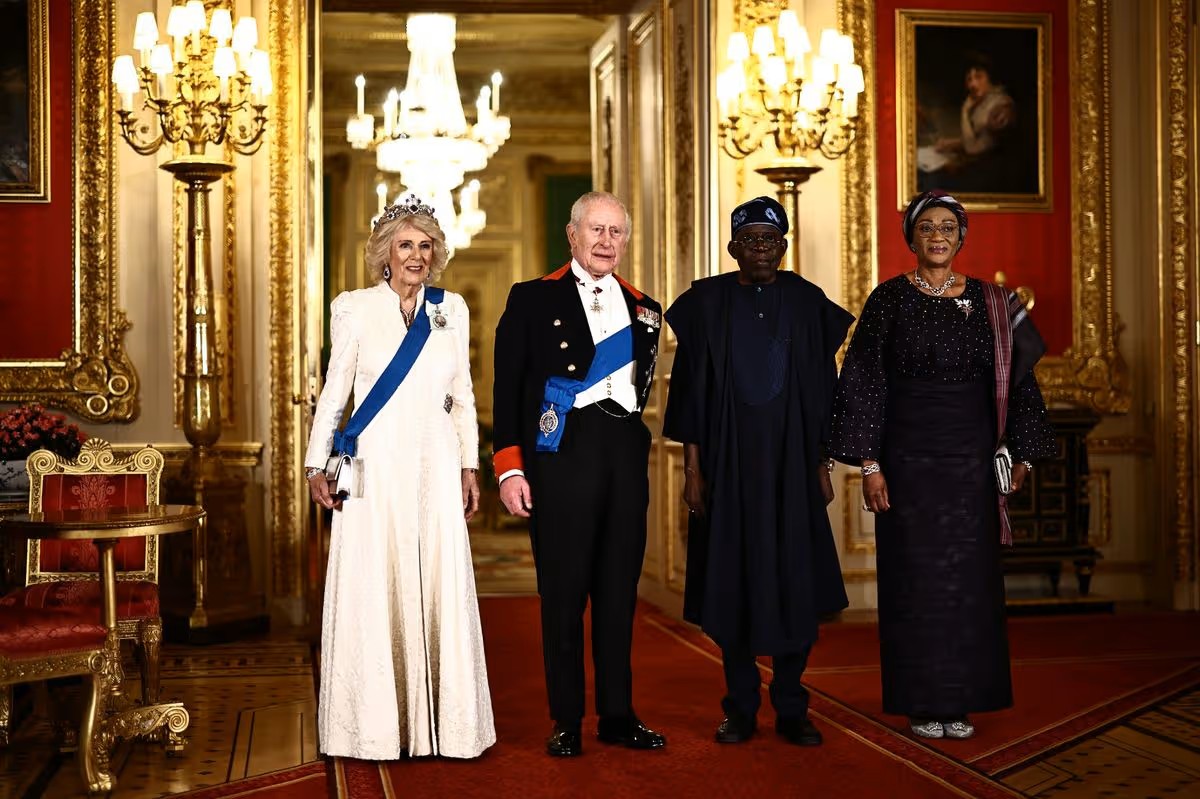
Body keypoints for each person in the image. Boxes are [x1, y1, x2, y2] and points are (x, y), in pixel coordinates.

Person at [828, 190, 1056, 740]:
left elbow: (1020, 381)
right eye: (926, 227)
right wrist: (870, 464)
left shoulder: (993, 303)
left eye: (947, 228)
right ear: (911, 238)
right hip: (906, 463)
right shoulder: (888, 300)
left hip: (971, 464)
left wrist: (1023, 452)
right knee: (917, 583)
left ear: (960, 238)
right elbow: (864, 383)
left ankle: (961, 701)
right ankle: (923, 702)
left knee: (967, 584)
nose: (937, 236)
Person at [303, 195, 495, 760]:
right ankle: (375, 727)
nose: (416, 255)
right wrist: (318, 463)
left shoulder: (450, 309)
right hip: (375, 461)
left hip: (435, 461)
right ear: (384, 254)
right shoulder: (355, 307)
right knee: (375, 576)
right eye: (406, 245)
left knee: (437, 573)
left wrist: (469, 462)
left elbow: (461, 394)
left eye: (425, 245)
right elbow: (336, 390)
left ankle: (448, 727)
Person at [663, 196, 854, 746]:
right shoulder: (705, 304)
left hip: (792, 472)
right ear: (733, 249)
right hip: (726, 472)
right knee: (732, 587)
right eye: (750, 241)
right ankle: (741, 708)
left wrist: (822, 463)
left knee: (796, 584)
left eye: (771, 241)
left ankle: (792, 706)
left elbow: (824, 391)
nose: (762, 250)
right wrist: (692, 470)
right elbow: (692, 395)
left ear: (784, 247)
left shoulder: (808, 302)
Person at [492, 190, 665, 758]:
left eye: (616, 232)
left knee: (618, 594)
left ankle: (617, 714)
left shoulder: (646, 309)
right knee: (562, 595)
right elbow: (509, 390)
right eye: (596, 230)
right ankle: (566, 718)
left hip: (623, 453)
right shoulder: (531, 300)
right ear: (572, 235)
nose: (606, 242)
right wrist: (510, 469)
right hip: (561, 454)